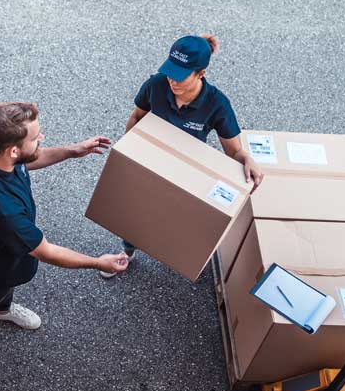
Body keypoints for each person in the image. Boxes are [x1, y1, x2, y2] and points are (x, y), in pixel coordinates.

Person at [0, 102, 129, 371]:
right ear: (14, 149)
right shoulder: (3, 210)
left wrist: (72, 150)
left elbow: (29, 160)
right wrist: (98, 263)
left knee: (6, 288)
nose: (41, 138)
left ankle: (2, 310)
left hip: (12, 253)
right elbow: (46, 251)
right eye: (35, 137)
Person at [102, 33, 264, 278]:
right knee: (137, 211)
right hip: (151, 161)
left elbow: (234, 150)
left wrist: (247, 160)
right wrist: (130, 151)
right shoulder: (156, 85)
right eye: (170, 71)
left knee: (175, 215)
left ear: (201, 74)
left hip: (186, 170)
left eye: (181, 75)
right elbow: (137, 116)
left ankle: (176, 252)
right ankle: (127, 250)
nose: (172, 80)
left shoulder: (217, 104)